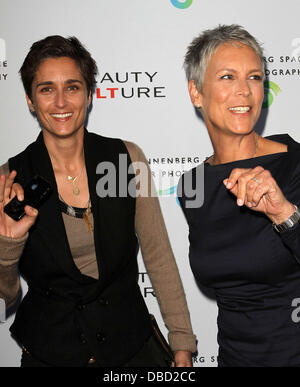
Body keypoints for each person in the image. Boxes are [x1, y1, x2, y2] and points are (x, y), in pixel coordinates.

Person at [0, 35, 196, 367]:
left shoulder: (126, 160)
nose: (61, 102)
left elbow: (159, 256)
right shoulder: (10, 180)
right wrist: (8, 244)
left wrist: (181, 342)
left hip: (132, 349)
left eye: (72, 87)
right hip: (51, 353)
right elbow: (7, 295)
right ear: (31, 101)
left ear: (89, 95)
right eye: (47, 89)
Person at [179, 24, 300, 367]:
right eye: (228, 77)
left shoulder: (293, 163)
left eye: (255, 77)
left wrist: (283, 214)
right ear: (196, 92)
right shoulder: (192, 185)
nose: (245, 91)